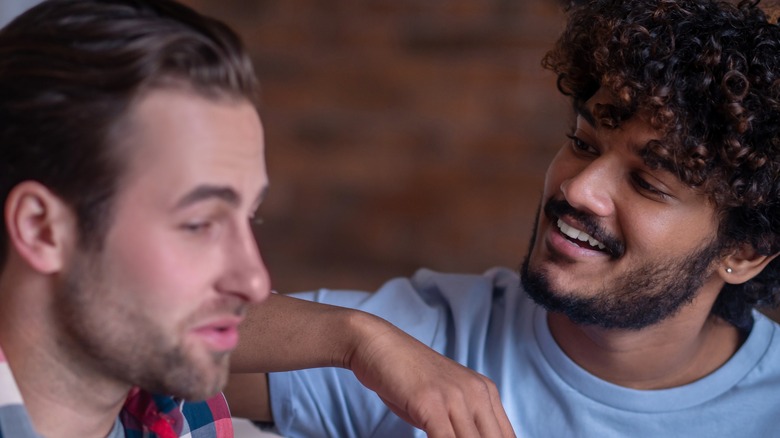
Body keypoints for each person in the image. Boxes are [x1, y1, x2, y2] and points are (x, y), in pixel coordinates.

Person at [227, 0, 780, 436]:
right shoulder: (436, 338)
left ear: (743, 252)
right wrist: (353, 339)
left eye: (647, 183)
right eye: (583, 143)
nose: (578, 188)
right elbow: (158, 342)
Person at [0, 1, 515, 437]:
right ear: (42, 229)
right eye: (200, 223)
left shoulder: (190, 416)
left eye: (252, 218)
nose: (256, 281)